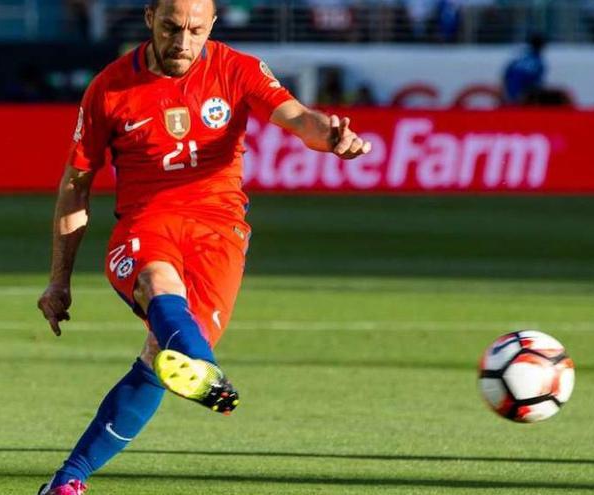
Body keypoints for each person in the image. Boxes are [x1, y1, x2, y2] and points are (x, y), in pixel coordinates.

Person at [35, 1, 371, 493]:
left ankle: (67, 481)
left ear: (211, 24)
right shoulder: (110, 88)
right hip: (146, 224)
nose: (183, 42)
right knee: (157, 282)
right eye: (172, 28)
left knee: (159, 356)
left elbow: (299, 118)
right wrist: (58, 280)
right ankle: (208, 375)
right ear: (149, 18)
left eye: (195, 30)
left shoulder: (238, 69)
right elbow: (75, 186)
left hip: (221, 233)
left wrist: (333, 138)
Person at [502, 33, 546, 105]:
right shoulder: (538, 62)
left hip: (510, 92)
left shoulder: (520, 57)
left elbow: (506, 74)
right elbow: (535, 84)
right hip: (521, 96)